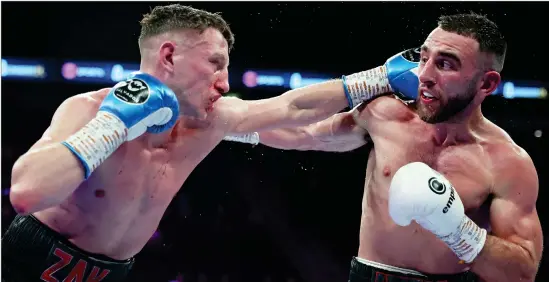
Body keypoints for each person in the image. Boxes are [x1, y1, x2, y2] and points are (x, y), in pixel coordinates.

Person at [1, 4, 356, 282]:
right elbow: (26, 193)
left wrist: (376, 84)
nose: (224, 83)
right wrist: (113, 126)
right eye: (215, 64)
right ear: (169, 56)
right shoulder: (90, 109)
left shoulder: (212, 122)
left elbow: (298, 114)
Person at [249, 13, 543, 282]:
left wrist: (456, 229)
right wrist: (226, 125)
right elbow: (302, 131)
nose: (424, 74)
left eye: (444, 64)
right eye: (423, 58)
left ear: (486, 84)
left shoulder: (507, 162)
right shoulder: (386, 115)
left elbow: (521, 272)